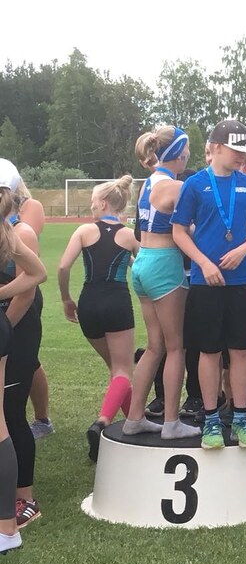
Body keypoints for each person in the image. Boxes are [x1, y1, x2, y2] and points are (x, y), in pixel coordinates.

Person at [171, 118, 246, 450]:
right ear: (217, 147)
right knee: (209, 351)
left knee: (240, 350)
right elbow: (179, 231)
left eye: (245, 151)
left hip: (240, 280)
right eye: (236, 149)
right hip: (205, 281)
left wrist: (242, 250)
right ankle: (211, 419)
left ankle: (240, 418)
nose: (242, 156)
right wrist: (204, 263)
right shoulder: (194, 185)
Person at [124, 127, 200, 440]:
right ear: (180, 154)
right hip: (164, 264)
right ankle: (171, 422)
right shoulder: (176, 187)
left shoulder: (148, 182)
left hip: (142, 262)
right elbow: (190, 229)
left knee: (154, 346)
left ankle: (134, 417)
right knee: (175, 347)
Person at [57, 176, 139, 462]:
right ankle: (102, 423)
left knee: (117, 371)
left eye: (93, 201)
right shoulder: (129, 235)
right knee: (123, 371)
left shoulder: (83, 230)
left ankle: (134, 421)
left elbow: (63, 267)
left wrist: (66, 299)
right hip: (117, 303)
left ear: (103, 203)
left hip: (89, 304)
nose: (91, 206)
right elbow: (142, 269)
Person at [0, 161, 47, 555]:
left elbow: (28, 289)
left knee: (11, 412)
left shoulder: (20, 231)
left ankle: (25, 497)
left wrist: (6, 327)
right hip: (8, 325)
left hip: (19, 325)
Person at [8, 176, 53, 442]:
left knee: (26, 361)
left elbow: (29, 272)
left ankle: (41, 419)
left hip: (23, 294)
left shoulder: (28, 209)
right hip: (13, 293)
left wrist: (5, 325)